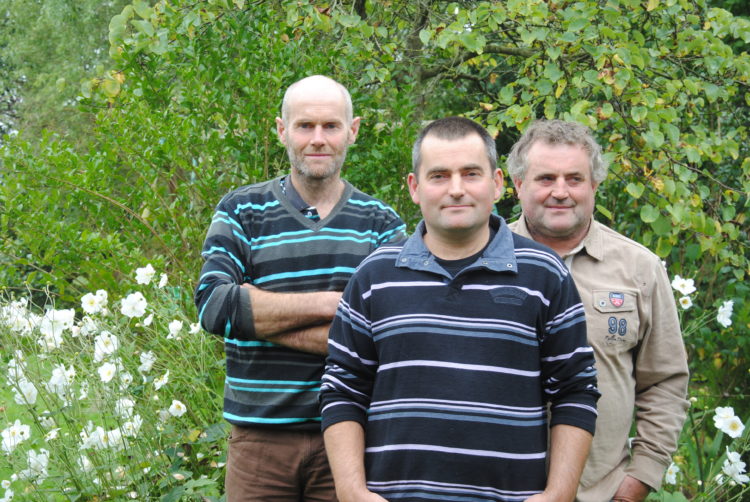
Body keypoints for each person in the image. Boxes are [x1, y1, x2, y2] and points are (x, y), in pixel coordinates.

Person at [320, 116, 600, 502]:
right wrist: (350, 491)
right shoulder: (374, 275)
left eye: (471, 174)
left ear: (498, 183)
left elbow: (575, 390)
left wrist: (559, 494)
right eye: (439, 176)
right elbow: (343, 388)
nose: (456, 190)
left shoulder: (544, 275)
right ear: (415, 188)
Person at [194, 75, 407, 501]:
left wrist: (255, 318)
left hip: (349, 441)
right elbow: (215, 308)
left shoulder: (382, 225)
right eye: (304, 126)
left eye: (330, 126)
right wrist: (335, 304)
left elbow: (390, 337)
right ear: (281, 131)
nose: (318, 139)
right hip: (258, 445)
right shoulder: (242, 210)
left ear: (354, 130)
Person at [506, 119, 689, 502]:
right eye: (545, 179)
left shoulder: (639, 268)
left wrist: (639, 478)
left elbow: (665, 381)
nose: (561, 192)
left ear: (594, 185)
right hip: (502, 488)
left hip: (602, 490)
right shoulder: (484, 263)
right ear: (518, 185)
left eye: (574, 179)